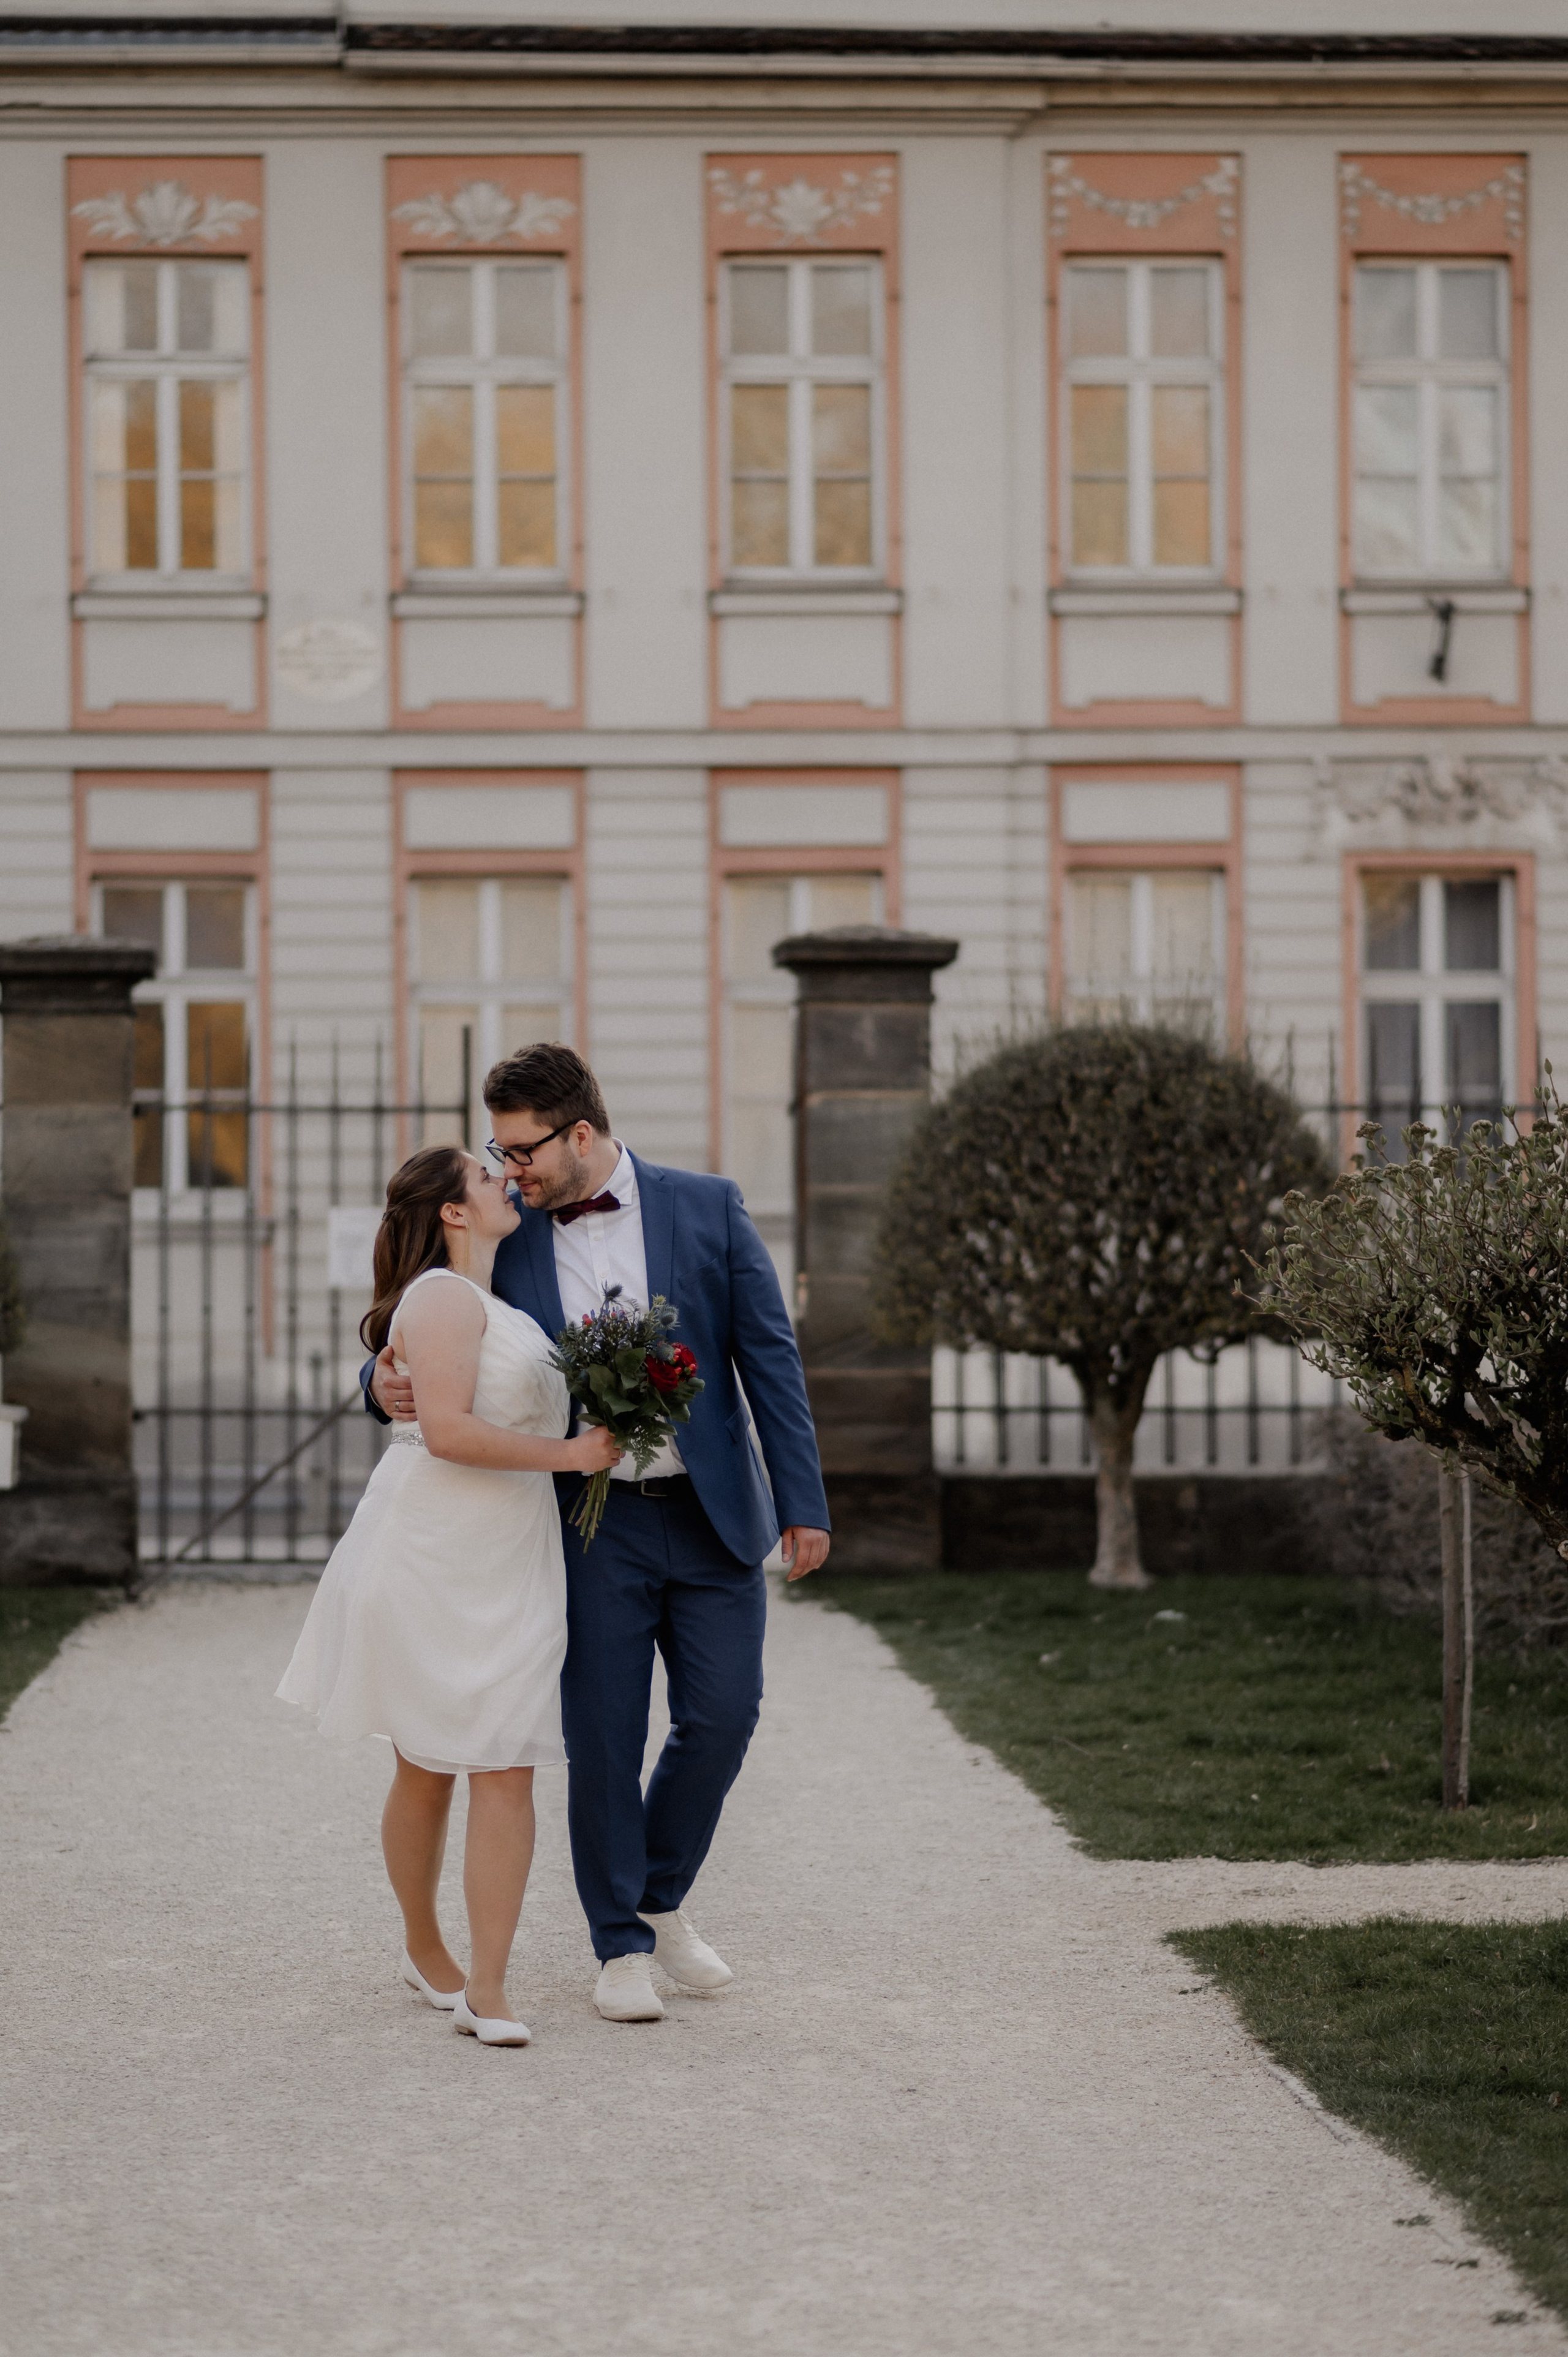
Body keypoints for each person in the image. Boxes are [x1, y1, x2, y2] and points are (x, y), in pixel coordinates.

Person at [364, 1044, 831, 2024]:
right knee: (604, 1739)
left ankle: (659, 1897)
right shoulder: (508, 1234)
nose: (510, 1169)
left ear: (581, 1133)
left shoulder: (709, 1205)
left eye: (522, 1148)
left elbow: (770, 1359)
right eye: (496, 1151)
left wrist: (804, 1499)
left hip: (712, 1516)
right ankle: (618, 1942)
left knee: (724, 1716)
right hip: (589, 1526)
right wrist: (376, 1383)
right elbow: (425, 1313)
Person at [278, 1143, 622, 2047]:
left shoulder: (505, 1303)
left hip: (511, 1555)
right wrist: (574, 1456)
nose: (506, 1177)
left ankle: (492, 1986)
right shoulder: (436, 1297)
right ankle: (425, 1946)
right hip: (430, 1551)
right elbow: (449, 1430)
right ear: (454, 1214)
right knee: (427, 1760)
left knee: (507, 1760)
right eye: (484, 1173)